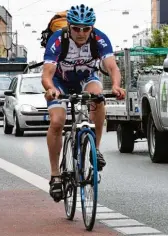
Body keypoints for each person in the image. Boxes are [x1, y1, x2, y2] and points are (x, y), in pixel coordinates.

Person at [41, 4, 126, 202]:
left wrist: (116, 86)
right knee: (56, 122)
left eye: (86, 28)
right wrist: (50, 89)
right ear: (69, 26)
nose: (81, 33)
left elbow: (112, 67)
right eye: (76, 28)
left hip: (86, 79)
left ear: (92, 27)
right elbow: (47, 75)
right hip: (59, 82)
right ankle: (55, 175)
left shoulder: (99, 39)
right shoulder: (58, 40)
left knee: (98, 97)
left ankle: (94, 150)